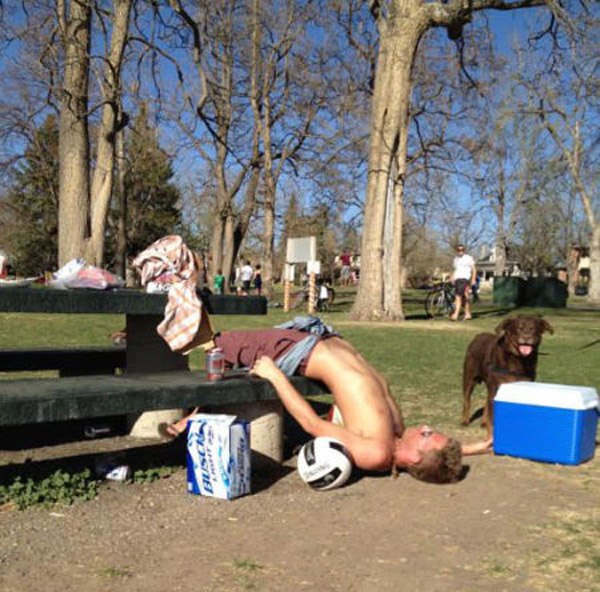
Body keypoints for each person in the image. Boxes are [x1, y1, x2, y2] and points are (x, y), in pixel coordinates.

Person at [163, 326, 491, 483]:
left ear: (413, 458)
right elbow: (435, 455)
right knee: (214, 342)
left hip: (299, 351)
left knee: (213, 342)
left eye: (427, 435)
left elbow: (314, 426)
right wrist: (473, 448)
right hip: (319, 336)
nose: (425, 427)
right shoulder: (396, 434)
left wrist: (276, 376)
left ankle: (183, 417)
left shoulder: (376, 453)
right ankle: (188, 421)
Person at [450, 244, 476, 321]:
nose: (460, 251)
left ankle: (456, 314)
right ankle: (467, 314)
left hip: (465, 279)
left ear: (464, 250)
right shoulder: (455, 259)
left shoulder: (468, 258)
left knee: (458, 297)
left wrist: (473, 279)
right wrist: (452, 277)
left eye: (462, 250)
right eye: (459, 250)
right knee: (465, 298)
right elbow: (456, 270)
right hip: (457, 279)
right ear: (456, 251)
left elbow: (474, 269)